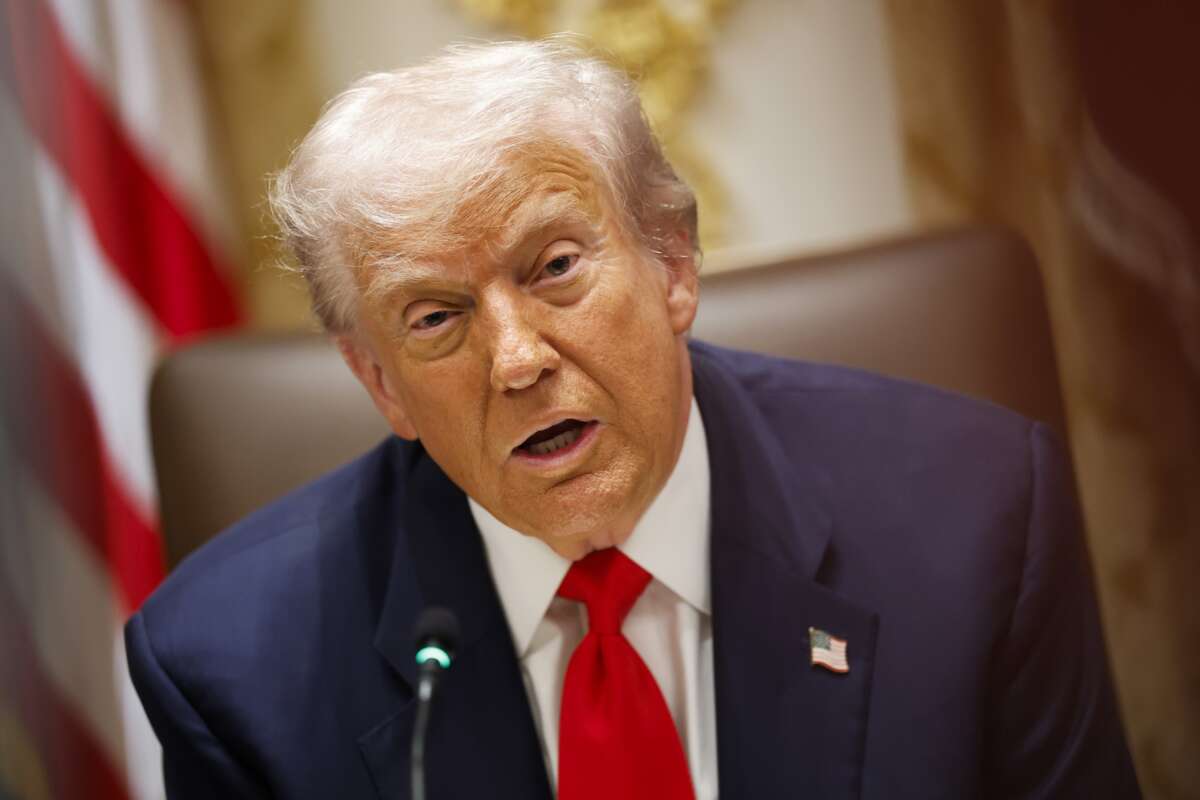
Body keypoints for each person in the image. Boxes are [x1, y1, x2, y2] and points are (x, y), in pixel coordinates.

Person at [125, 38, 1141, 799]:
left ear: (673, 263)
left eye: (556, 267)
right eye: (436, 318)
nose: (518, 359)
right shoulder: (231, 669)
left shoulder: (976, 518)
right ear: (380, 382)